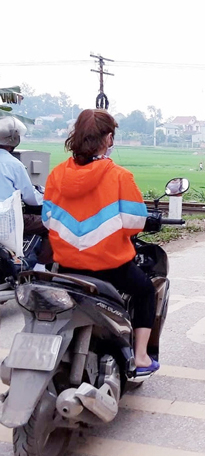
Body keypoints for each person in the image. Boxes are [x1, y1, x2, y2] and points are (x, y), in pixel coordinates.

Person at [42, 109, 158, 377]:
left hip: (67, 268)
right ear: (107, 138)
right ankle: (140, 356)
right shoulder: (119, 176)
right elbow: (133, 223)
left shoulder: (57, 175)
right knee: (145, 292)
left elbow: (48, 220)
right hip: (110, 268)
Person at [0, 116, 50, 267]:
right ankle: (40, 270)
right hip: (6, 220)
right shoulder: (14, 164)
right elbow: (31, 199)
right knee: (51, 223)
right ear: (14, 140)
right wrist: (46, 196)